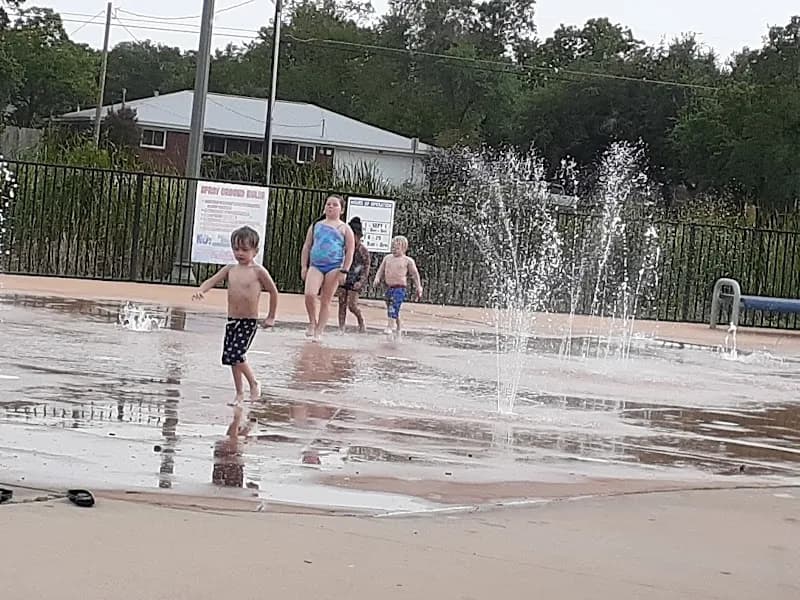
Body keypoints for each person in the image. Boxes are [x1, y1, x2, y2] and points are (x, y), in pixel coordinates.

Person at [193, 225, 279, 405]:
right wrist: (202, 290)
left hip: (248, 322)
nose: (239, 253)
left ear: (255, 251)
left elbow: (273, 291)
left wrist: (271, 316)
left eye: (245, 250)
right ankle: (239, 392)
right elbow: (212, 280)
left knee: (237, 354)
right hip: (232, 320)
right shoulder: (230, 269)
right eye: (236, 249)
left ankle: (254, 383)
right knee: (231, 358)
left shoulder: (258, 271)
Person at [300, 195, 355, 341]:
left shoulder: (345, 228)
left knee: (326, 300)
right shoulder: (316, 225)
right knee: (310, 294)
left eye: (334, 205)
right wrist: (303, 266)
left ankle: (319, 331)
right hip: (316, 265)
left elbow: (350, 250)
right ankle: (312, 321)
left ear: (341, 210)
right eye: (328, 204)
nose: (330, 207)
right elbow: (307, 246)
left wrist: (345, 270)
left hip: (334, 267)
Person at [373, 235, 423, 338]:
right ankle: (399, 324)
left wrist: (419, 287)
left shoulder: (407, 261)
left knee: (393, 306)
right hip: (389, 287)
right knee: (390, 307)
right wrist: (377, 278)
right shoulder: (387, 258)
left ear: (404, 249)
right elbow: (381, 269)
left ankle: (390, 326)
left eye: (397, 248)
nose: (394, 250)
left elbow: (415, 274)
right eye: (393, 248)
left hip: (400, 288)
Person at [337, 216, 371, 333]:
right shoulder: (343, 248)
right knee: (342, 304)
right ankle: (341, 328)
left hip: (355, 280)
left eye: (355, 236)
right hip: (344, 277)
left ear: (359, 236)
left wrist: (361, 282)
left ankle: (360, 320)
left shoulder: (363, 251)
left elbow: (366, 267)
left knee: (352, 305)